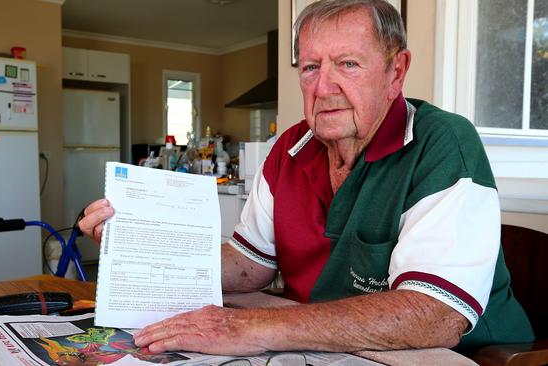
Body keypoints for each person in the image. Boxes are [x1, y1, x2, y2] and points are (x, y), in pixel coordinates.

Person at [79, 0, 534, 356]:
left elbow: (433, 315)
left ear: (396, 72)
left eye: (348, 64)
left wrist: (249, 329)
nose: (323, 87)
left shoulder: (443, 143)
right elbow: (249, 265)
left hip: (473, 355)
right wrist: (142, 246)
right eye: (312, 67)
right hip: (331, 346)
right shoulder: (290, 147)